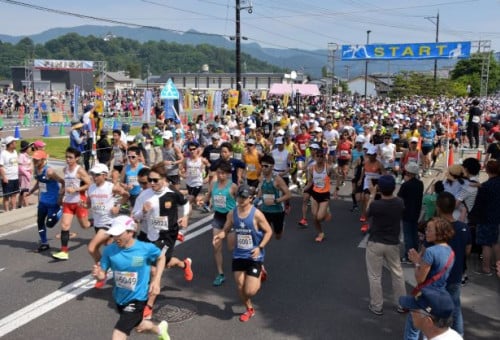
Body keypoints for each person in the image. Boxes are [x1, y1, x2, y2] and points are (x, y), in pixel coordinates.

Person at [91, 215, 170, 340]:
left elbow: (161, 257)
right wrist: (98, 275)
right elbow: (102, 275)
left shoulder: (145, 249)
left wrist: (156, 281)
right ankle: (160, 330)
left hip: (138, 298)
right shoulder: (109, 250)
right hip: (120, 298)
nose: (115, 238)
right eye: (114, 234)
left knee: (118, 334)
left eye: (119, 234)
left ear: (130, 232)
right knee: (140, 325)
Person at [132, 163, 192, 320]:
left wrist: (185, 217)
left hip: (167, 235)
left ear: (164, 179)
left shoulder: (172, 192)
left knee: (154, 270)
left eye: (155, 180)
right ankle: (184, 264)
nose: (152, 184)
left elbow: (185, 204)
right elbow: (135, 216)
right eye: (150, 180)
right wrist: (143, 211)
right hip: (148, 234)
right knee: (164, 263)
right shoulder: (144, 195)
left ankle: (149, 305)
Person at [213, 184, 273, 322]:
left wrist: (260, 247)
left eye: (244, 197)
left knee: (250, 291)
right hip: (239, 254)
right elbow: (226, 229)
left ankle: (260, 272)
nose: (240, 199)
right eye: (239, 196)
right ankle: (249, 309)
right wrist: (220, 236)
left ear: (251, 198)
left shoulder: (257, 214)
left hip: (254, 255)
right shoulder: (232, 213)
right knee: (240, 286)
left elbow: (269, 231)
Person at [405, 217, 456, 340]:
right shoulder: (450, 251)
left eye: (429, 230)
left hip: (425, 297)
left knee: (413, 328)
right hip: (440, 296)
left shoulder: (430, 251)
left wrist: (417, 262)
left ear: (439, 232)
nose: (426, 232)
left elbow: (420, 279)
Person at [364, 175, 407, 315]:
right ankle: (401, 304)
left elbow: (366, 214)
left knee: (375, 276)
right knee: (397, 274)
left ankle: (377, 305)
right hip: (393, 243)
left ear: (379, 189)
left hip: (376, 241)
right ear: (394, 187)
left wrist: (371, 195)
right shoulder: (400, 202)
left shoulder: (376, 205)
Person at [87, 163, 130, 288]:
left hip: (109, 223)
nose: (94, 177)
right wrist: (83, 205)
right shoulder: (91, 188)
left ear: (105, 175)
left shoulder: (111, 187)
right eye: (93, 174)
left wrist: (118, 206)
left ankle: (102, 272)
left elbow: (126, 195)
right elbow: (89, 204)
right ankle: (124, 268)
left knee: (92, 248)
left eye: (97, 175)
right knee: (112, 250)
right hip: (98, 223)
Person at [436, 192, 471, 336]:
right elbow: (467, 251)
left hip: (437, 276)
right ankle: (458, 335)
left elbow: (427, 251)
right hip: (456, 274)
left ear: (438, 207)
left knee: (435, 308)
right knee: (456, 308)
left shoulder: (436, 227)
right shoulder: (463, 227)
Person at [52, 147, 92, 261]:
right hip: (68, 202)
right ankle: (64, 251)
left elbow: (89, 184)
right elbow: (66, 183)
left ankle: (96, 223)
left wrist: (76, 190)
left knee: (85, 226)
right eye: (67, 157)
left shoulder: (80, 170)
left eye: (70, 157)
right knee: (65, 226)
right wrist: (61, 193)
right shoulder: (65, 170)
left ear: (77, 158)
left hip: (79, 201)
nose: (68, 159)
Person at [205, 160, 237, 286]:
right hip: (218, 217)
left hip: (230, 219)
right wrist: (204, 200)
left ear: (228, 174)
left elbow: (241, 200)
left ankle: (248, 263)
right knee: (216, 247)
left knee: (231, 248)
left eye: (223, 173)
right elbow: (208, 195)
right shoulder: (213, 184)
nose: (220, 176)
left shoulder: (233, 186)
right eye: (218, 173)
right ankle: (220, 274)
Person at [27, 150, 65, 252]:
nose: (35, 161)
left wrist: (61, 196)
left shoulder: (49, 171)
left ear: (43, 160)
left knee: (50, 224)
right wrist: (31, 192)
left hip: (53, 201)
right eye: (34, 159)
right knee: (40, 221)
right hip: (43, 201)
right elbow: (39, 182)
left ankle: (62, 210)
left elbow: (62, 182)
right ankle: (44, 243)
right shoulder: (36, 169)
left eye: (37, 160)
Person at [468, 160, 500, 276]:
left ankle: (486, 269)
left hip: (485, 217)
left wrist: (472, 217)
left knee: (486, 244)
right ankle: (496, 264)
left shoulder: (485, 187)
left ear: (487, 170)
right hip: (496, 216)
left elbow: (478, 204)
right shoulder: (495, 183)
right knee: (495, 242)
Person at [302, 146, 334, 242]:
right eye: (318, 156)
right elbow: (310, 182)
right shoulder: (311, 169)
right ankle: (320, 233)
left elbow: (338, 176)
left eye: (321, 156)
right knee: (315, 217)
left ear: (324, 157)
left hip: (324, 195)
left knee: (320, 217)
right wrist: (305, 189)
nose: (319, 158)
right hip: (315, 194)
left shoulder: (328, 168)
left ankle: (326, 212)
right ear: (315, 157)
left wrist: (336, 189)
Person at [256, 154, 292, 240]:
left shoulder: (277, 179)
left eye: (266, 166)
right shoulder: (261, 178)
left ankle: (281, 226)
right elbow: (261, 190)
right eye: (262, 166)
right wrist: (256, 201)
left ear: (272, 167)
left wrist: (276, 201)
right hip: (265, 210)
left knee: (278, 236)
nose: (263, 168)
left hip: (278, 211)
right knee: (263, 234)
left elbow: (288, 194)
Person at [398, 162, 424, 264]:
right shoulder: (420, 184)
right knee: (414, 234)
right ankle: (415, 254)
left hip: (406, 213)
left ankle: (408, 257)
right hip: (416, 212)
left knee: (408, 236)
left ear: (408, 172)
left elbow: (400, 199)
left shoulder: (405, 185)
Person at [0, 136, 20, 211]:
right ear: (10, 144)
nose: (16, 144)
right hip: (8, 178)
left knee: (14, 194)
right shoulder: (3, 154)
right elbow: (1, 167)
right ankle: (7, 211)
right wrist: (4, 177)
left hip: (15, 177)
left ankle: (14, 209)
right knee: (6, 196)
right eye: (14, 142)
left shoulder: (15, 152)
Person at [18, 140, 33, 208]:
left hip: (27, 175)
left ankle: (19, 204)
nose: (31, 149)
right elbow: (20, 167)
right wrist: (27, 174)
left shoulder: (26, 155)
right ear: (26, 148)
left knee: (22, 191)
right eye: (29, 147)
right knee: (25, 191)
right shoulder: (21, 156)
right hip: (24, 176)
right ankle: (26, 205)